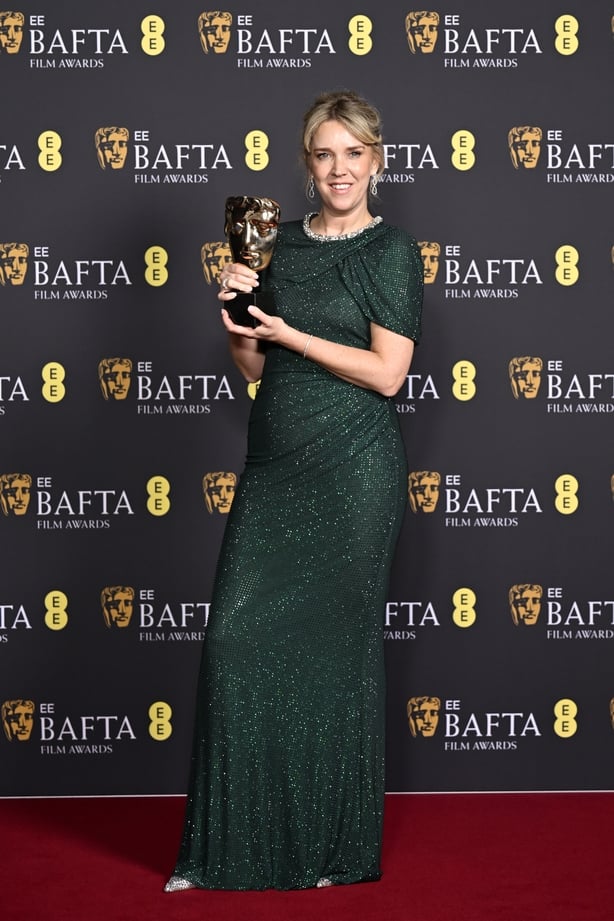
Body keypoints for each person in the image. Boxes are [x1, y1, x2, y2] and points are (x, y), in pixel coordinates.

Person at [165, 89, 423, 892]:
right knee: (236, 639)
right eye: (324, 154)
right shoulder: (276, 243)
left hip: (354, 472)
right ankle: (224, 852)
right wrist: (238, 319)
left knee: (336, 658)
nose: (339, 169)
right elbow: (254, 366)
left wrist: (290, 334)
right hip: (276, 466)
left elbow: (389, 373)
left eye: (353, 154)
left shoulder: (391, 250)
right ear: (307, 164)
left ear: (376, 161)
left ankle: (329, 849)